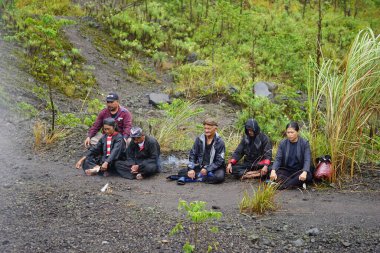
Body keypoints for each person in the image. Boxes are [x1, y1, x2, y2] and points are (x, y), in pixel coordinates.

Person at [176, 118, 225, 184]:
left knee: (219, 177)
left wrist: (207, 169)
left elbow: (219, 161)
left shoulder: (220, 142)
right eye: (205, 128)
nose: (206, 131)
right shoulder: (199, 139)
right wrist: (191, 169)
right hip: (201, 167)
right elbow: (193, 154)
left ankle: (198, 177)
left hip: (215, 168)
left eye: (209, 129)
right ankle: (202, 177)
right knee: (181, 172)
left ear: (215, 129)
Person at [270, 122, 313, 189]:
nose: (290, 135)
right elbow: (278, 159)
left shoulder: (304, 143)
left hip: (299, 171)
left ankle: (282, 186)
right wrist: (273, 171)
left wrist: (304, 172)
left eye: (292, 132)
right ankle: (297, 184)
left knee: (308, 176)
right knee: (273, 172)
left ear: (297, 132)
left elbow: (307, 159)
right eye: (288, 132)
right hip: (287, 171)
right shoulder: (283, 143)